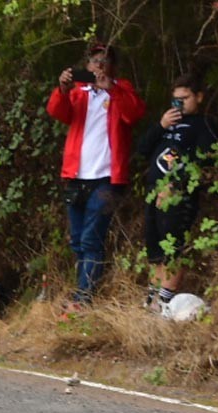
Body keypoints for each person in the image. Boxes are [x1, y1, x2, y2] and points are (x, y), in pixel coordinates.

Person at [47, 43, 145, 312]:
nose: (99, 65)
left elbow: (134, 114)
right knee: (77, 239)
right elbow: (57, 112)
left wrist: (111, 89)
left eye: (104, 61)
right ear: (87, 65)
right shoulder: (79, 93)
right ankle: (84, 291)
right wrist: (63, 88)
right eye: (94, 60)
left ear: (112, 66)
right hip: (77, 176)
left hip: (107, 179)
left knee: (92, 238)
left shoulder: (121, 89)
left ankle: (84, 298)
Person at [137, 73, 218, 312]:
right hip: (154, 191)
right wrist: (161, 125)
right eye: (176, 99)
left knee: (172, 248)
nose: (180, 104)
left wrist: (175, 185)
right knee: (154, 249)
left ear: (199, 97)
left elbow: (205, 161)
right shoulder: (167, 122)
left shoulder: (203, 125)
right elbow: (142, 149)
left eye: (185, 98)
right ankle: (152, 299)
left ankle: (165, 300)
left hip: (178, 194)